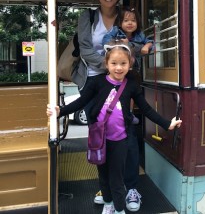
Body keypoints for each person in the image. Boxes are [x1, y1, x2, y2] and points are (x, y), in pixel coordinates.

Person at [47, 41, 182, 214]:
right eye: (114, 63)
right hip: (99, 139)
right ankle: (108, 203)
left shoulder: (131, 85)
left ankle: (119, 209)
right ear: (106, 64)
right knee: (103, 175)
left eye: (123, 64)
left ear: (129, 64)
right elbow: (81, 102)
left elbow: (146, 108)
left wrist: (166, 123)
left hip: (120, 140)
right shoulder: (97, 82)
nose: (118, 68)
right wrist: (60, 111)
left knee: (116, 178)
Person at [72, 0, 144, 211]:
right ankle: (108, 187)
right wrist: (107, 66)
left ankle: (131, 187)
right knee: (99, 136)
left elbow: (135, 44)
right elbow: (84, 48)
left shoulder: (126, 15)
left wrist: (118, 66)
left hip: (121, 81)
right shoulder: (88, 16)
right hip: (95, 82)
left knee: (127, 135)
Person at [102, 6, 154, 125]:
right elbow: (105, 41)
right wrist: (121, 43)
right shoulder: (116, 31)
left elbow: (150, 42)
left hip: (133, 69)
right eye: (126, 20)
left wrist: (147, 46)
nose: (130, 23)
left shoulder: (139, 34)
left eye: (133, 20)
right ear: (120, 22)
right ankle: (114, 111)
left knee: (131, 91)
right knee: (115, 90)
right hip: (117, 68)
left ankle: (128, 113)